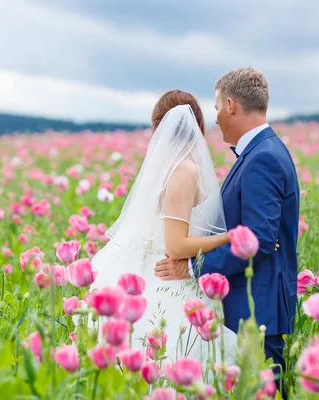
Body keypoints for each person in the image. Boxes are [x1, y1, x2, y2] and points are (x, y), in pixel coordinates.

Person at [154, 67, 300, 397]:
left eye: (218, 106)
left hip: (257, 309)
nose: (216, 116)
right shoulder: (260, 152)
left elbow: (259, 240)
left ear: (231, 105)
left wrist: (192, 267)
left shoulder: (263, 157)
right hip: (252, 305)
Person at [89, 89, 237, 364]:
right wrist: (230, 238)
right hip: (171, 283)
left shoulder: (177, 168)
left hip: (175, 277)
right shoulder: (184, 171)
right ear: (198, 125)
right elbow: (176, 245)